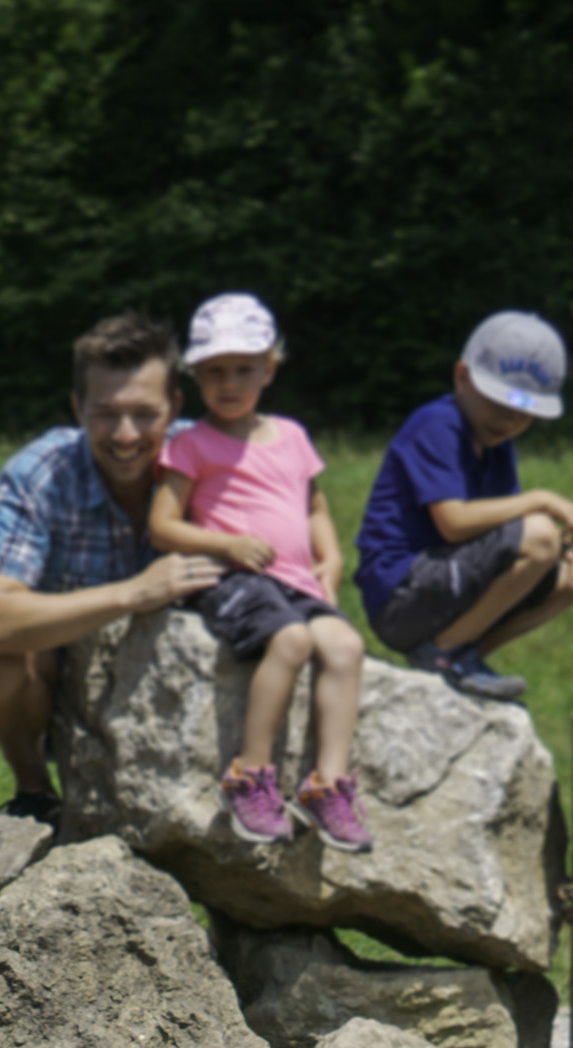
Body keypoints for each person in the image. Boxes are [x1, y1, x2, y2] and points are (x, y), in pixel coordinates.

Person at [0, 312, 227, 822]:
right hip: (61, 685)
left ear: (174, 407)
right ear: (78, 408)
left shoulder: (215, 460)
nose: (126, 434)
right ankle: (35, 795)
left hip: (187, 684)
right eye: (106, 413)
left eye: (145, 414)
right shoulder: (39, 472)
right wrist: (133, 593)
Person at [146, 293, 370, 851]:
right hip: (232, 576)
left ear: (269, 370)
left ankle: (328, 784)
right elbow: (162, 525)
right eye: (215, 372)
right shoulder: (191, 443)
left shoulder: (292, 436)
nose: (230, 383)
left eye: (243, 369)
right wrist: (227, 544)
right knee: (291, 640)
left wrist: (333, 557)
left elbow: (313, 505)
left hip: (296, 580)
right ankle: (249, 773)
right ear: (195, 375)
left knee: (344, 647)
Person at [352, 311, 573, 703]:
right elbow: (454, 523)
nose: (509, 419)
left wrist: (554, 546)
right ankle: (443, 654)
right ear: (461, 377)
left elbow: (505, 530)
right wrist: (540, 499)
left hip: (443, 583)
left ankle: (463, 656)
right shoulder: (438, 424)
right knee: (540, 536)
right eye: (498, 400)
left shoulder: (498, 448)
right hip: (399, 594)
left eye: (524, 413)